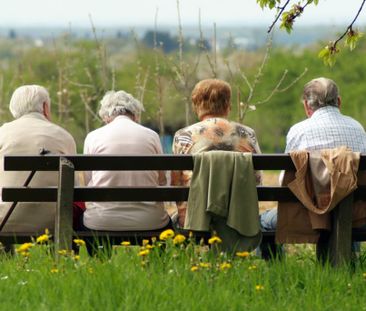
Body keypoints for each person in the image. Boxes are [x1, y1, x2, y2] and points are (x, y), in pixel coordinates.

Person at [260, 77, 366, 231]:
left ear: (306, 106)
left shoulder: (298, 131)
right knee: (346, 203)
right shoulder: (358, 128)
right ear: (339, 101)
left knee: (263, 222)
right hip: (354, 215)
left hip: (305, 215)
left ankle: (275, 256)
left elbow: (284, 179)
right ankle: (348, 255)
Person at [172, 78, 262, 227]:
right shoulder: (247, 134)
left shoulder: (184, 135)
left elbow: (177, 182)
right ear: (227, 105)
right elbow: (257, 178)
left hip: (197, 215)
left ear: (197, 105)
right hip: (239, 214)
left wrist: (183, 214)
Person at [82, 90, 170, 231]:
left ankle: (100, 253)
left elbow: (87, 181)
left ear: (106, 117)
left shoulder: (93, 137)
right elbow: (162, 180)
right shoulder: (151, 135)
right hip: (149, 220)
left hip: (102, 221)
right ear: (135, 115)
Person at [0, 85, 76, 232]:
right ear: (45, 107)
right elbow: (74, 184)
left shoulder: (2, 133)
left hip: (5, 220)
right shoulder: (64, 136)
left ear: (13, 109)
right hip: (55, 222)